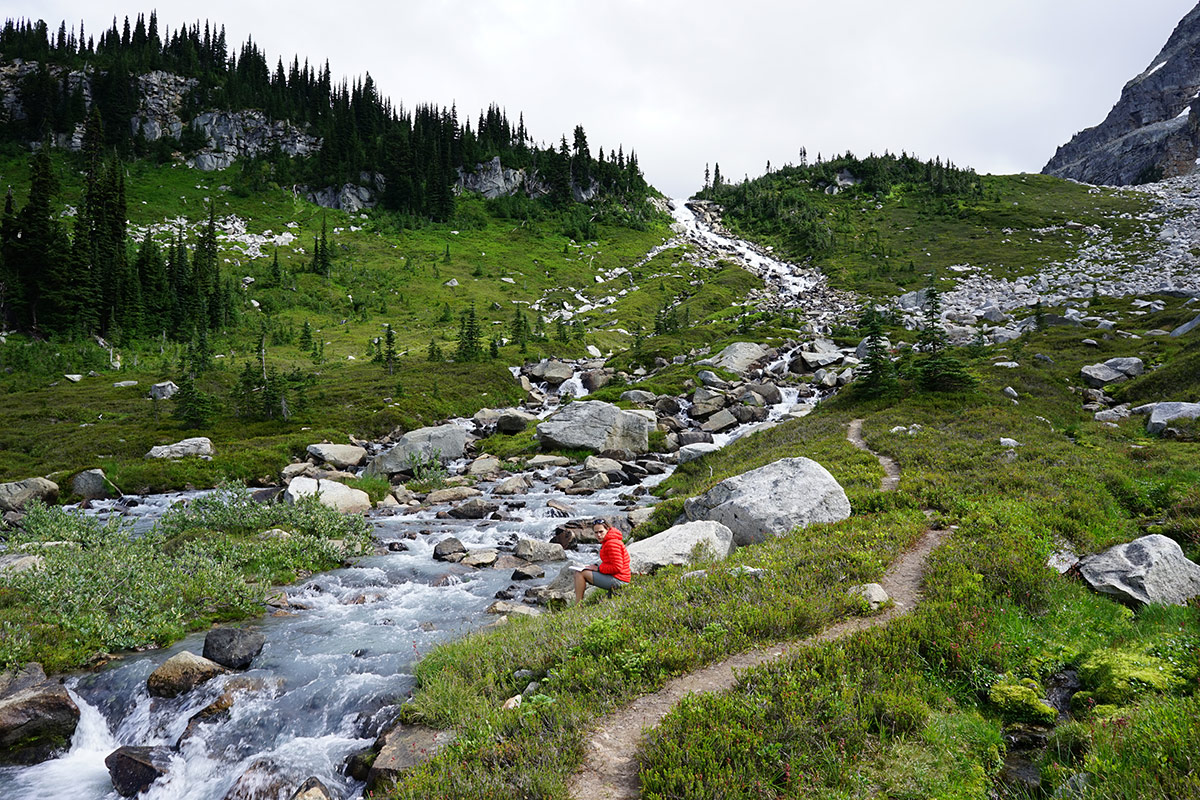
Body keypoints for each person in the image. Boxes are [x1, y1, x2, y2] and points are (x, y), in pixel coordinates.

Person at [574, 517, 630, 601]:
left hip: (620, 580)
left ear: (607, 529)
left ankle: (578, 606)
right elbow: (610, 562)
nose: (598, 535)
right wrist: (596, 566)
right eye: (596, 532)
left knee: (579, 573)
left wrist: (598, 568)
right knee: (582, 571)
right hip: (619, 577)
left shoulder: (612, 543)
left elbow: (617, 567)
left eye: (601, 532)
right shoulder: (609, 541)